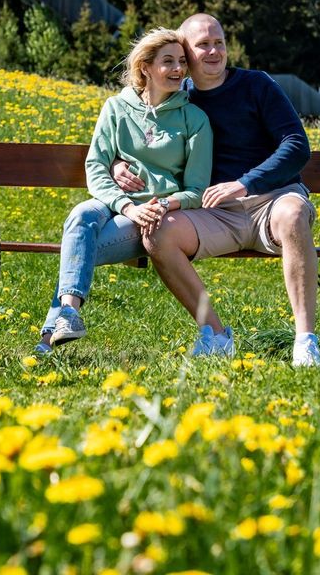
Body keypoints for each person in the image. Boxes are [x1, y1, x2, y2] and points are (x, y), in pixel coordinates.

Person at [114, 13, 320, 366]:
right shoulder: (179, 100)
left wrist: (244, 183)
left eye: (219, 42)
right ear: (186, 53)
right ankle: (217, 335)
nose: (213, 51)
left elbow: (296, 145)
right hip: (214, 214)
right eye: (202, 44)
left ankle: (305, 342)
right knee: (158, 234)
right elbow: (137, 137)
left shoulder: (257, 85)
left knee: (294, 214)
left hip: (272, 202)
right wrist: (118, 164)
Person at [37, 28, 213, 352]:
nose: (178, 70)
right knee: (80, 215)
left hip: (153, 213)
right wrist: (124, 203)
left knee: (78, 250)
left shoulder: (194, 119)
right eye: (168, 62)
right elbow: (96, 166)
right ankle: (67, 319)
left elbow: (197, 190)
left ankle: (50, 338)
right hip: (114, 204)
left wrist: (161, 206)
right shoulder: (116, 108)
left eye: (182, 62)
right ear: (145, 67)